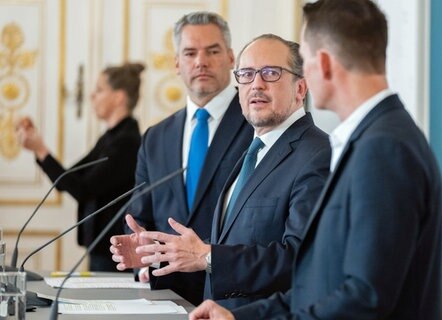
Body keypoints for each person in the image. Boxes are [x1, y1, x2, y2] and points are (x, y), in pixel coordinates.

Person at [189, 0, 442, 319]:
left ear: (321, 64)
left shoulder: (383, 148)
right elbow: (320, 282)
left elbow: (365, 297)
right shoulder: (372, 138)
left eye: (304, 61)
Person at [111, 34, 331, 309]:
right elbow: (233, 242)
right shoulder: (255, 150)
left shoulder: (317, 155)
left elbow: (301, 259)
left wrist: (207, 256)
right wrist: (157, 255)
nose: (256, 85)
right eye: (246, 74)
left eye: (271, 73)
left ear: (300, 88)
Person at [109, 12, 253, 305]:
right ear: (177, 63)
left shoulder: (256, 125)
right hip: (166, 297)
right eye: (190, 53)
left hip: (234, 299)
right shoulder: (155, 137)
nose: (201, 61)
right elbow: (139, 215)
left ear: (230, 58)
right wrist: (142, 252)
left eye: (212, 51)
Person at [16, 62, 144, 272]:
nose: (92, 96)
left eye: (99, 90)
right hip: (100, 248)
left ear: (119, 97)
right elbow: (68, 179)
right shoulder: (111, 138)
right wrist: (39, 148)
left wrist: (41, 149)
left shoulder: (126, 142)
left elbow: (82, 189)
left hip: (112, 251)